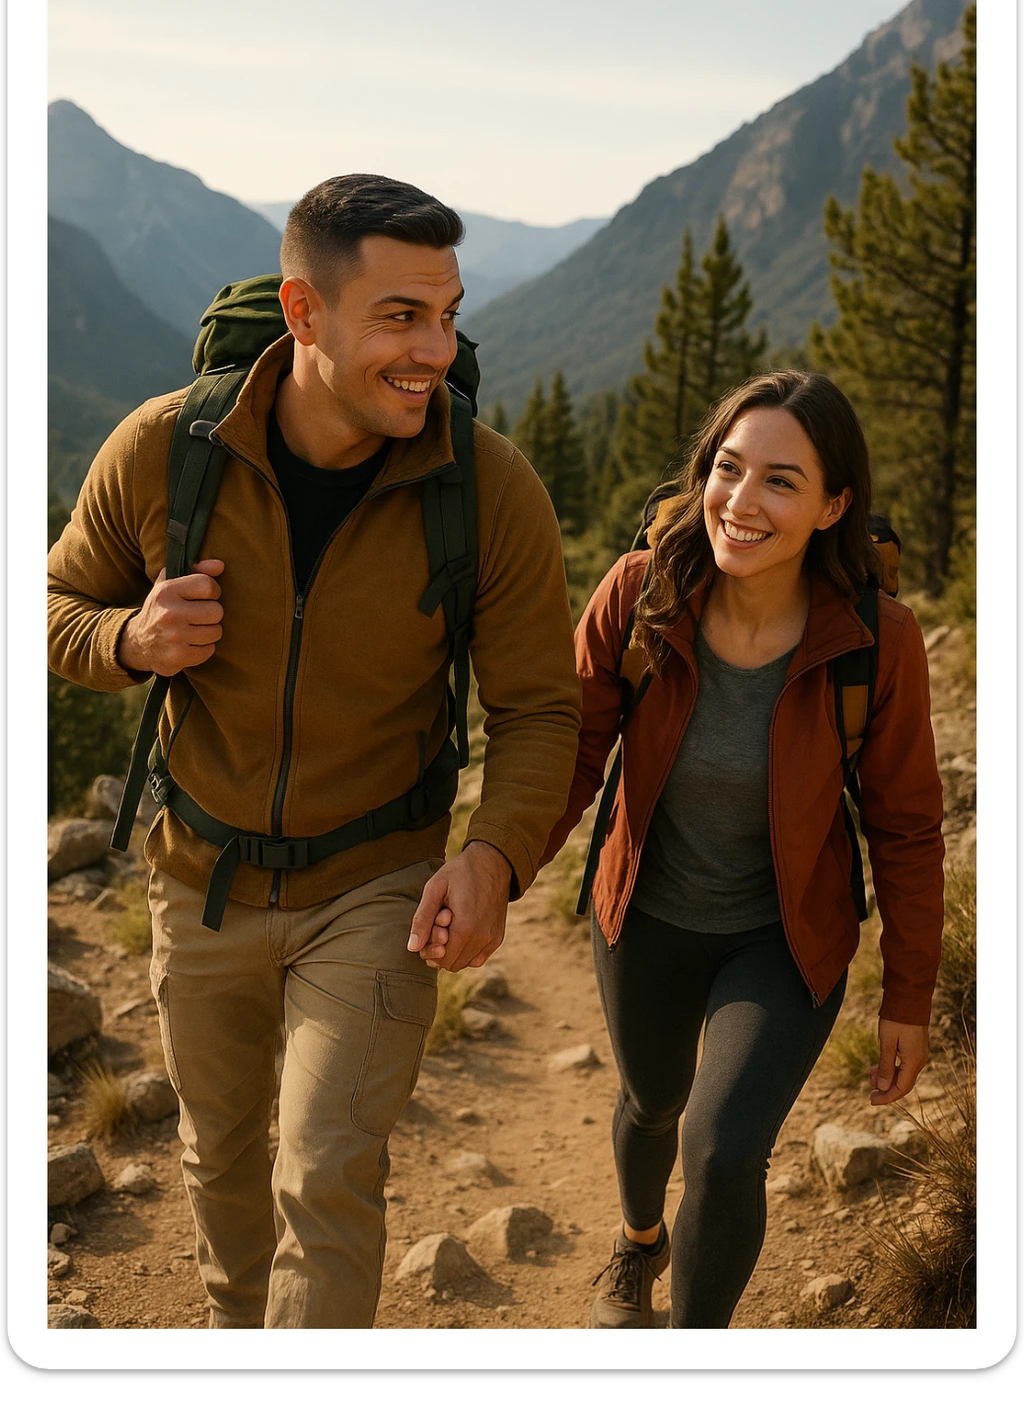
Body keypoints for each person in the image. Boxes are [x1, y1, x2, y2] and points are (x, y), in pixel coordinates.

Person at [47, 174, 582, 1329]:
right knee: (220, 1167)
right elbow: (51, 606)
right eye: (399, 316)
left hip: (377, 883)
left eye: (447, 315)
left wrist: (492, 858)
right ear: (302, 311)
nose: (433, 349)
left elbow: (540, 709)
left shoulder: (486, 489)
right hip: (202, 879)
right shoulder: (164, 450)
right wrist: (130, 638)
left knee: (324, 1172)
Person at [541, 370, 945, 1330]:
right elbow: (570, 753)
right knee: (649, 1105)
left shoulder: (875, 643)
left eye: (781, 481)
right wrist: (494, 869)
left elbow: (905, 824)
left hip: (785, 940)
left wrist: (910, 996)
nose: (741, 501)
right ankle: (638, 1242)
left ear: (833, 505)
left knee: (721, 1148)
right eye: (728, 468)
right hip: (644, 915)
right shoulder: (643, 594)